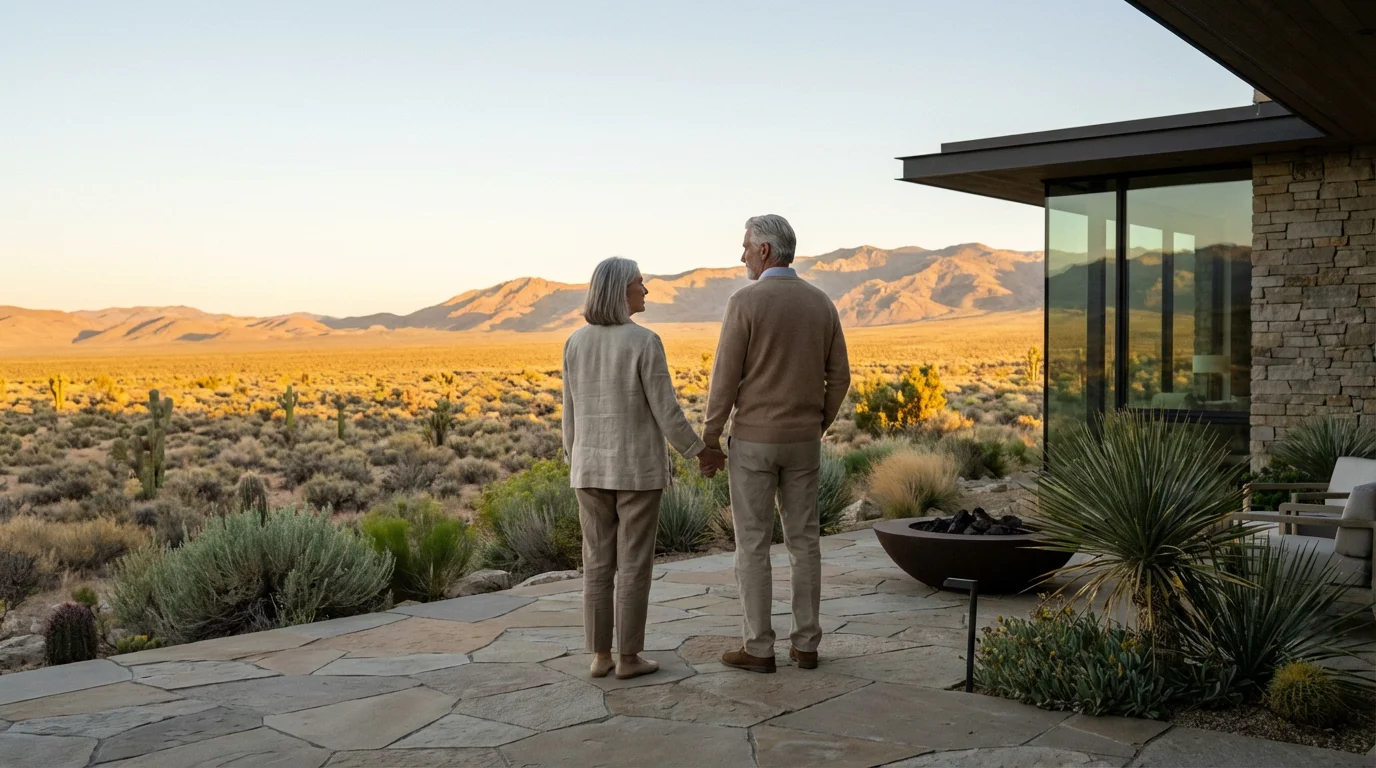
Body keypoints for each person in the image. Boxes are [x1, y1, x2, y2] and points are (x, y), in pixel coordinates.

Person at [562, 256, 725, 680]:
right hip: (635, 471)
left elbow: (570, 415)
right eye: (639, 283)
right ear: (621, 291)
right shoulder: (644, 341)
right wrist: (700, 452)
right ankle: (629, 658)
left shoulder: (575, 342)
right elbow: (666, 410)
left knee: (597, 562)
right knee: (633, 563)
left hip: (588, 468)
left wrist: (575, 458)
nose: (646, 290)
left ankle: (600, 656)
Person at [703, 214, 850, 673]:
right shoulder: (822, 303)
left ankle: (759, 647)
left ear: (765, 250)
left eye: (746, 245)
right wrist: (816, 423)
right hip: (804, 442)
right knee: (804, 542)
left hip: (753, 443)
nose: (742, 253)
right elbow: (840, 376)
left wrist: (709, 437)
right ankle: (806, 644)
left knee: (752, 544)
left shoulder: (745, 302)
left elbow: (724, 379)